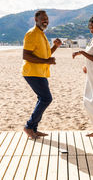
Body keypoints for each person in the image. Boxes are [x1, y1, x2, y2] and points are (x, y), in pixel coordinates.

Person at [22, 10, 62, 139]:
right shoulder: (32, 34)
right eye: (43, 18)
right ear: (36, 19)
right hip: (32, 72)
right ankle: (29, 126)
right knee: (46, 98)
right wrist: (46, 61)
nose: (45, 20)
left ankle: (33, 128)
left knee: (42, 98)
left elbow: (46, 54)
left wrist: (55, 46)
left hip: (41, 73)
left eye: (47, 18)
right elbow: (26, 55)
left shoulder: (41, 34)